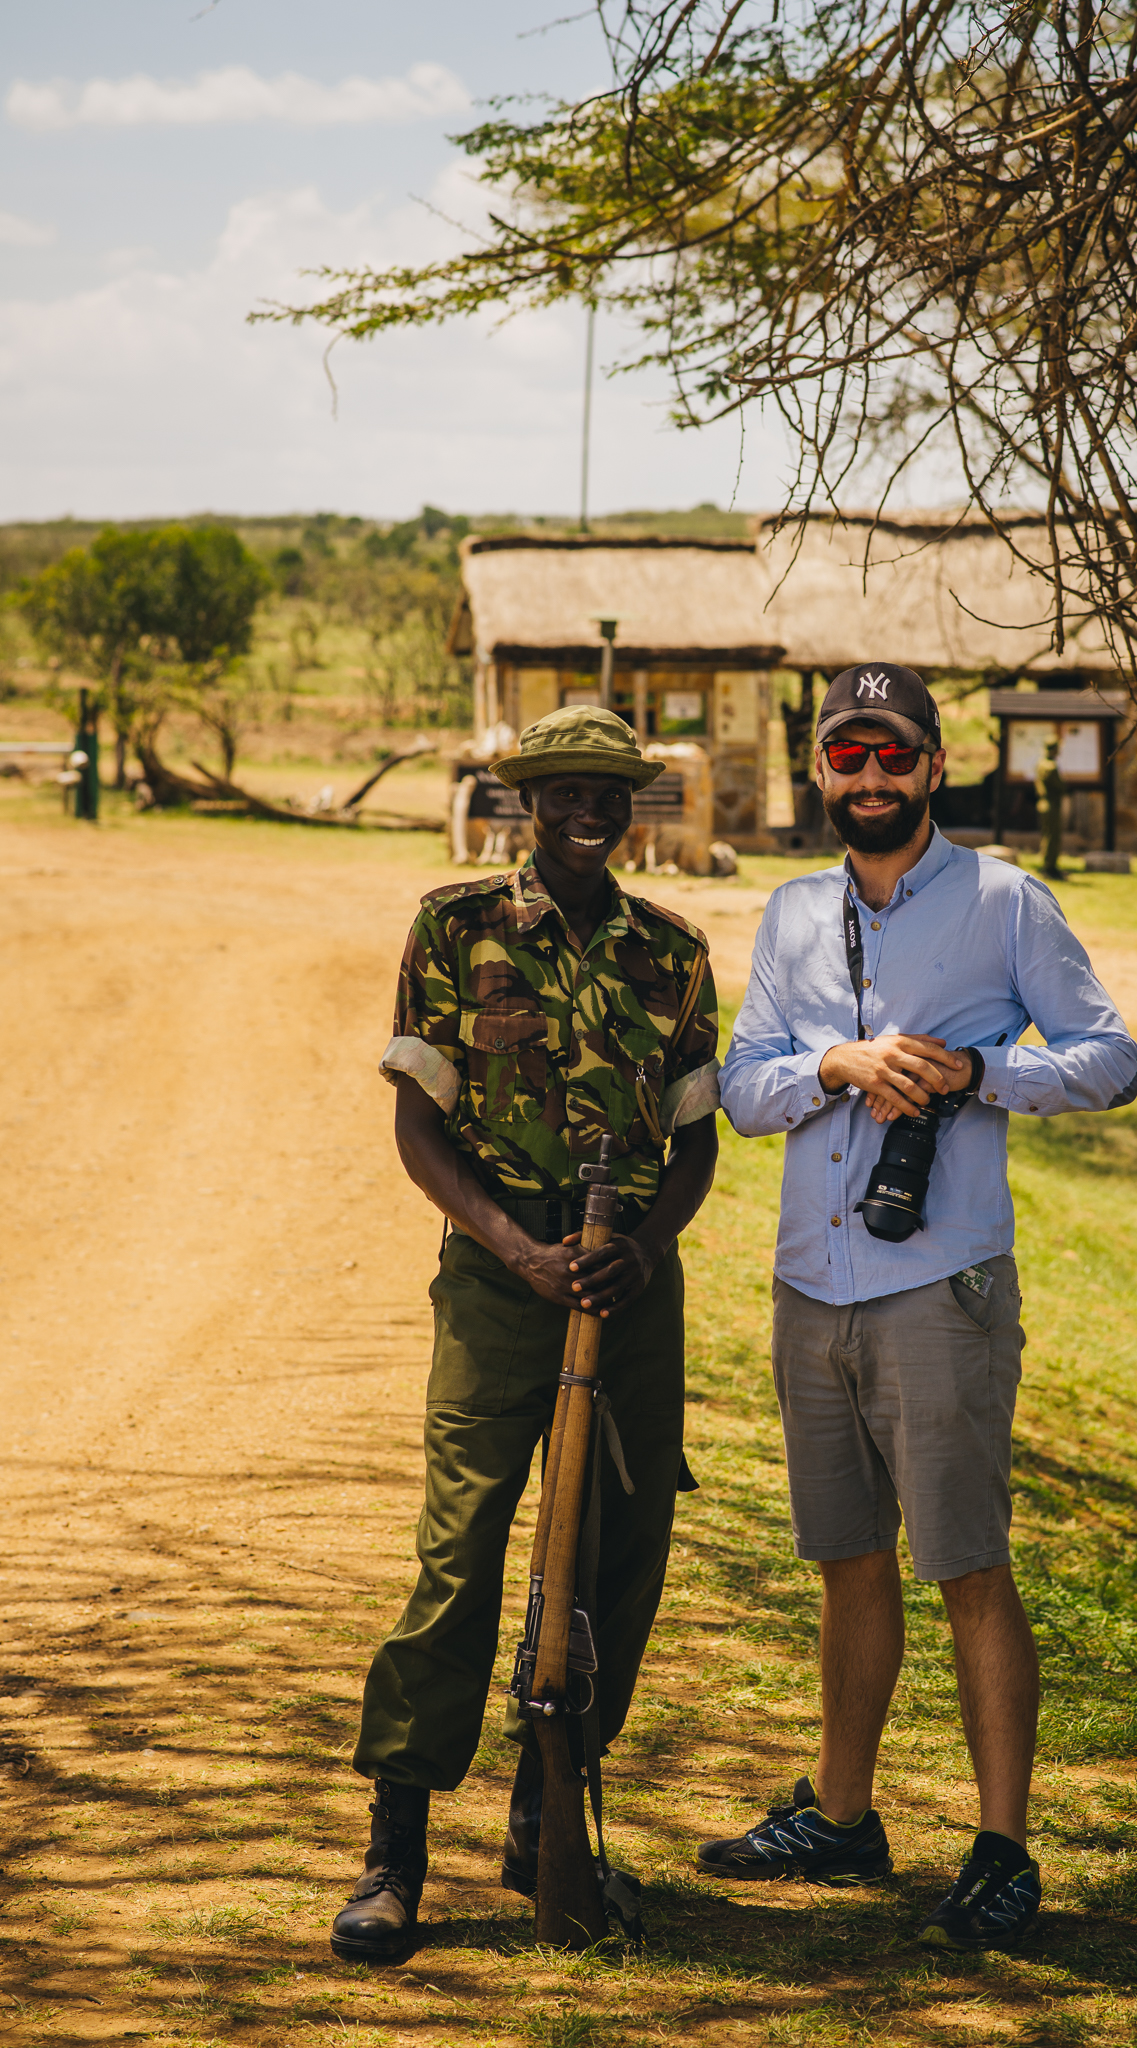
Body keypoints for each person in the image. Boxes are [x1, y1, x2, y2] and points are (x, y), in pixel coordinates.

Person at [705, 663, 1137, 1950]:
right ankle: (842, 1815)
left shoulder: (1004, 901)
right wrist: (830, 1064)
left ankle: (1002, 1847)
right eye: (847, 757)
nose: (869, 778)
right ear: (821, 769)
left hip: (938, 1285)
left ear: (934, 765)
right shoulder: (787, 913)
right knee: (844, 1558)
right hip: (810, 1279)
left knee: (964, 1562)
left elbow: (1108, 1056)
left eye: (892, 755)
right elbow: (737, 1084)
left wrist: (977, 1071)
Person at [330, 706, 721, 1964]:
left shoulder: (674, 949)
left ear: (631, 802)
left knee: (617, 1551)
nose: (589, 810)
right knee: (461, 1547)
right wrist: (518, 1248)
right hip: (504, 1270)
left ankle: (548, 1812)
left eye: (610, 789)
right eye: (564, 789)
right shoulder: (455, 926)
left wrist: (642, 1245)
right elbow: (419, 1127)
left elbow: (696, 1136)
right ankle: (396, 1846)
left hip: (627, 1277)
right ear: (526, 799)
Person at [1035, 738, 1064, 879]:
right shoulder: (1051, 767)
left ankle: (1047, 864)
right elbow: (1060, 786)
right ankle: (1050, 867)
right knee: (1053, 836)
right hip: (1051, 804)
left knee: (1047, 835)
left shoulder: (1041, 764)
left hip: (1043, 803)